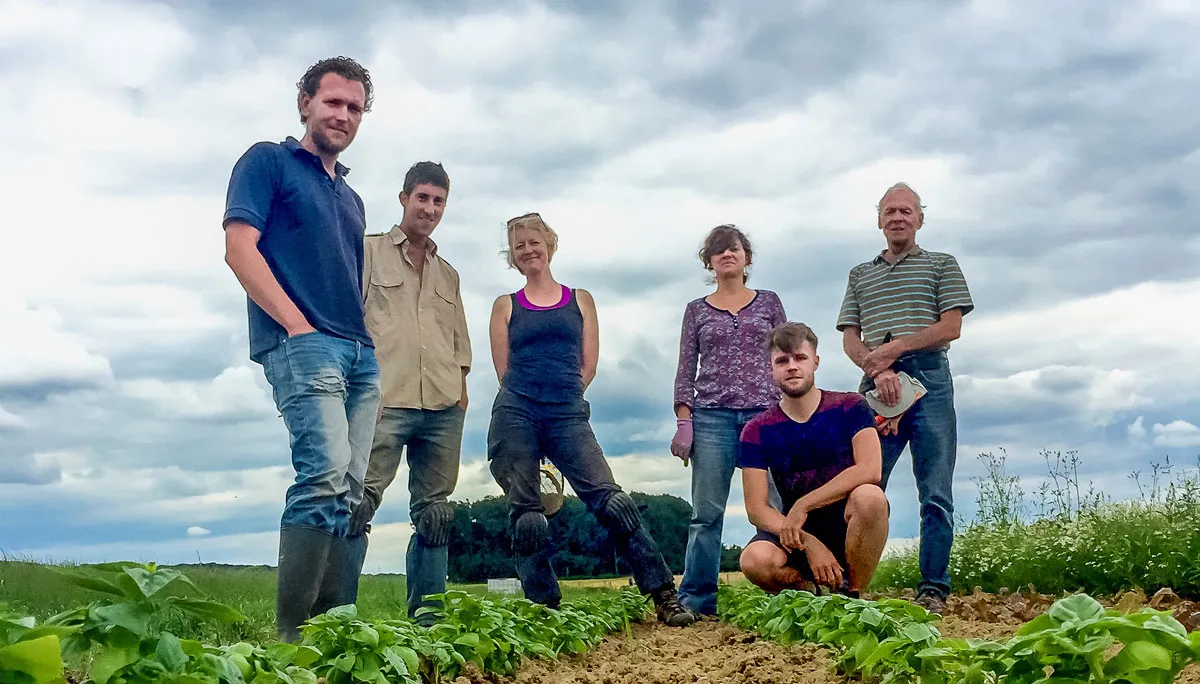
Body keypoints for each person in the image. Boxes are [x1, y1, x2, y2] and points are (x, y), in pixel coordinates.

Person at [222, 57, 379, 641]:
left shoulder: (352, 198)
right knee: (322, 477)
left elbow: (348, 281)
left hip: (360, 356)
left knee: (351, 492)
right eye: (333, 102)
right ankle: (290, 643)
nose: (343, 115)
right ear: (306, 103)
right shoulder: (267, 161)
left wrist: (368, 354)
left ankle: (330, 639)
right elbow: (241, 248)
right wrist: (297, 328)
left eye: (355, 108)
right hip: (304, 344)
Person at [486, 212, 694, 626]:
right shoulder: (505, 306)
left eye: (534, 241)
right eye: (519, 245)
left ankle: (663, 595)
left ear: (550, 245)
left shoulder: (580, 299)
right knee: (528, 515)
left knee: (612, 502)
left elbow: (589, 364)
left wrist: (563, 400)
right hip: (516, 412)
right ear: (512, 256)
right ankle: (543, 609)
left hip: (567, 412)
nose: (528, 250)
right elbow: (503, 371)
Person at [836, 182, 974, 614]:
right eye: (890, 211)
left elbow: (950, 327)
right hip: (877, 386)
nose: (898, 217)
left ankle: (933, 587)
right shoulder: (860, 274)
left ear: (919, 218)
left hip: (930, 380)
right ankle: (849, 583)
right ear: (879, 220)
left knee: (935, 491)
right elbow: (850, 338)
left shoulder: (942, 264)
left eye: (906, 210)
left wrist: (896, 350)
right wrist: (879, 368)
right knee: (864, 484)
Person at [347, 162, 470, 625]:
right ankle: (338, 620)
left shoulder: (449, 274)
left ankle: (428, 626)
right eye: (422, 198)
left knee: (436, 515)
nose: (430, 208)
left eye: (438, 201)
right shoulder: (369, 252)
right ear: (403, 199)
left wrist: (460, 392)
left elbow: (459, 340)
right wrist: (360, 388)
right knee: (357, 505)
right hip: (383, 399)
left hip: (442, 406)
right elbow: (348, 320)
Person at [670, 224, 786, 617]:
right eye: (718, 251)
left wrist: (791, 411)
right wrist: (684, 418)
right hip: (713, 417)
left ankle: (781, 591)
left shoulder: (769, 303)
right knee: (706, 512)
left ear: (746, 257)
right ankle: (696, 599)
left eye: (734, 248)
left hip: (766, 415)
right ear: (710, 262)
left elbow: (787, 356)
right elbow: (686, 367)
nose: (727, 255)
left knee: (773, 505)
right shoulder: (696, 310)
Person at [738, 323, 890, 597]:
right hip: (794, 532)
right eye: (782, 361)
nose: (792, 366)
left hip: (845, 522)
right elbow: (756, 508)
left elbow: (870, 468)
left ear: (815, 362)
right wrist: (807, 541)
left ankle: (853, 596)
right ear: (770, 369)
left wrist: (803, 505)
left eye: (800, 358)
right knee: (754, 559)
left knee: (871, 497)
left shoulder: (851, 406)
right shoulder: (756, 429)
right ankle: (811, 594)